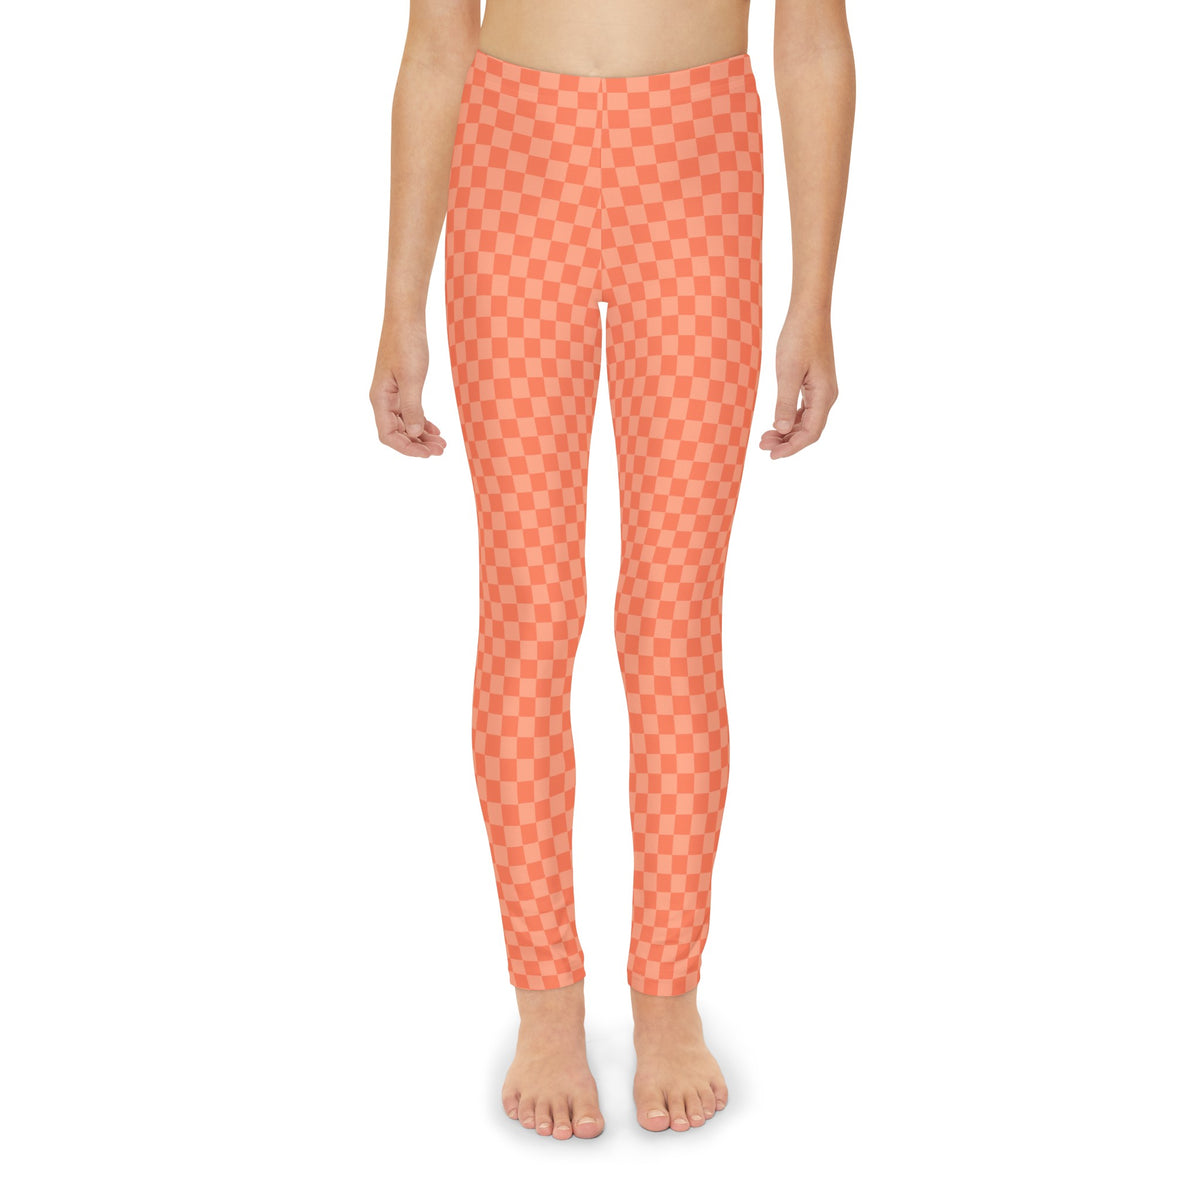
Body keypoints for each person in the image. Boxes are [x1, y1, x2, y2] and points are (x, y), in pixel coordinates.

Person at [368, 0, 854, 1139]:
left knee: (672, 622)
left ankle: (667, 999)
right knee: (530, 608)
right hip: (512, 164)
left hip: (698, 171)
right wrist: (399, 304)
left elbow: (813, 36)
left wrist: (815, 299)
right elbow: (436, 44)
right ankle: (546, 1002)